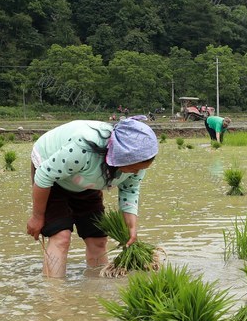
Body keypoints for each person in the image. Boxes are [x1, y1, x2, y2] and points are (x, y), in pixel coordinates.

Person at [26, 116, 159, 278]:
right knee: (61, 236)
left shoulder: (136, 163)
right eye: (134, 168)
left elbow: (129, 192)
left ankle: (97, 287)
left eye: (141, 168)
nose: (137, 173)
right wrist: (37, 216)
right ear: (121, 156)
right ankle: (55, 296)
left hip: (86, 180)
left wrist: (131, 228)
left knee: (98, 239)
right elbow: (44, 176)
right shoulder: (82, 149)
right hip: (50, 173)